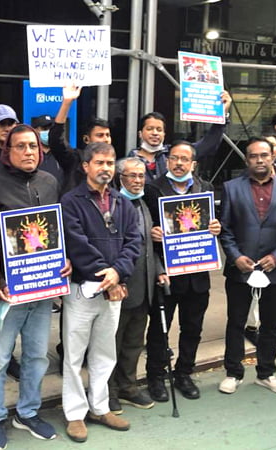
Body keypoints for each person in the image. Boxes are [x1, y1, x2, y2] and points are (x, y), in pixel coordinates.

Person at [0, 124, 70, 449]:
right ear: (8, 151)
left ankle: (27, 412)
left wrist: (66, 260)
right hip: (7, 291)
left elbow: (56, 231)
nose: (28, 152)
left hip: (43, 288)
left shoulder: (49, 182)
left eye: (33, 146)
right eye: (20, 146)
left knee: (36, 356)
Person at [60, 142, 141, 442]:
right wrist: (106, 274)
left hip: (114, 289)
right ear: (86, 166)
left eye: (110, 163)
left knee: (105, 353)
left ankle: (100, 406)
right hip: (83, 289)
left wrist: (118, 273)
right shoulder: (71, 201)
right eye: (100, 163)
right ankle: (74, 413)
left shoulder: (124, 202)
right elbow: (76, 242)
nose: (106, 168)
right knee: (74, 355)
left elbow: (134, 242)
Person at [218, 137, 276, 395]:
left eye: (264, 155)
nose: (259, 160)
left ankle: (266, 372)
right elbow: (225, 229)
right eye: (254, 156)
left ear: (273, 157)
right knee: (235, 321)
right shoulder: (232, 188)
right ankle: (233, 372)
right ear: (246, 160)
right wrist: (235, 256)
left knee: (270, 324)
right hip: (241, 268)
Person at [143, 142, 221, 401]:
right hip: (166, 272)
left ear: (193, 164)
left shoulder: (205, 188)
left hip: (198, 272)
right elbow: (142, 225)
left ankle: (184, 373)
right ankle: (155, 376)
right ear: (167, 161)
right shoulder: (152, 189)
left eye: (184, 159)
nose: (178, 163)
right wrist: (151, 233)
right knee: (158, 329)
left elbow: (213, 224)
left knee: (193, 327)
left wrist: (215, 229)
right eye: (174, 158)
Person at [108, 157, 164, 413]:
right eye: (132, 176)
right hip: (120, 287)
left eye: (141, 176)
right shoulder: (111, 205)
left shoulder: (143, 203)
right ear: (120, 177)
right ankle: (107, 391)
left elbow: (148, 248)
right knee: (111, 344)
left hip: (145, 287)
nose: (137, 181)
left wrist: (160, 271)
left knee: (133, 342)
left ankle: (128, 386)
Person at [127, 92, 231, 183]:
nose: (155, 133)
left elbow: (208, 143)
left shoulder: (174, 152)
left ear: (164, 134)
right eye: (150, 129)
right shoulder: (129, 161)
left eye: (159, 130)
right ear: (140, 133)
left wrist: (222, 114)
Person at [49, 85, 113, 195]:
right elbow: (56, 140)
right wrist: (66, 103)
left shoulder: (112, 165)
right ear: (86, 139)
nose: (105, 139)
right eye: (100, 135)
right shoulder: (75, 159)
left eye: (107, 135)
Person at [30, 114, 64, 186]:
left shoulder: (62, 154)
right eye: (44, 128)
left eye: (51, 129)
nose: (48, 131)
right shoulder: (30, 154)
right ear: (35, 131)